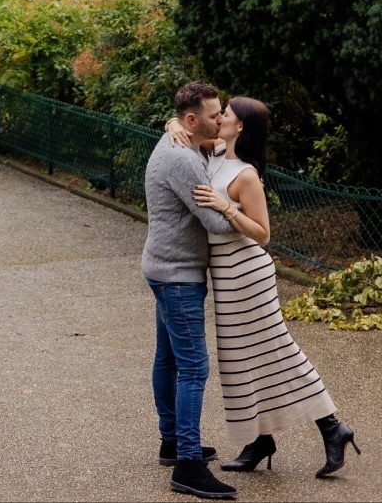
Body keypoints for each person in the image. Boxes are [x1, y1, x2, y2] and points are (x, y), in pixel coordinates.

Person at [166, 98, 361, 481]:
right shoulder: (218, 151)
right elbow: (186, 129)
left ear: (241, 127)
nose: (220, 118)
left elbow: (264, 233)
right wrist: (173, 124)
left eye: (227, 115)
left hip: (247, 273)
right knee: (240, 360)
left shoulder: (246, 175)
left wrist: (225, 209)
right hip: (224, 274)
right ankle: (260, 440)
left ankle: (331, 426)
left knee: (275, 351)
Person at [143, 81, 238, 501]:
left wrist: (171, 125)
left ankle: (171, 442)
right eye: (215, 114)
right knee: (194, 368)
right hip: (178, 276)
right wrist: (238, 208)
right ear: (191, 120)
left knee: (168, 358)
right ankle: (187, 464)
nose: (221, 119)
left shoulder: (179, 142)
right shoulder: (183, 158)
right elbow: (216, 223)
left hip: (163, 268)